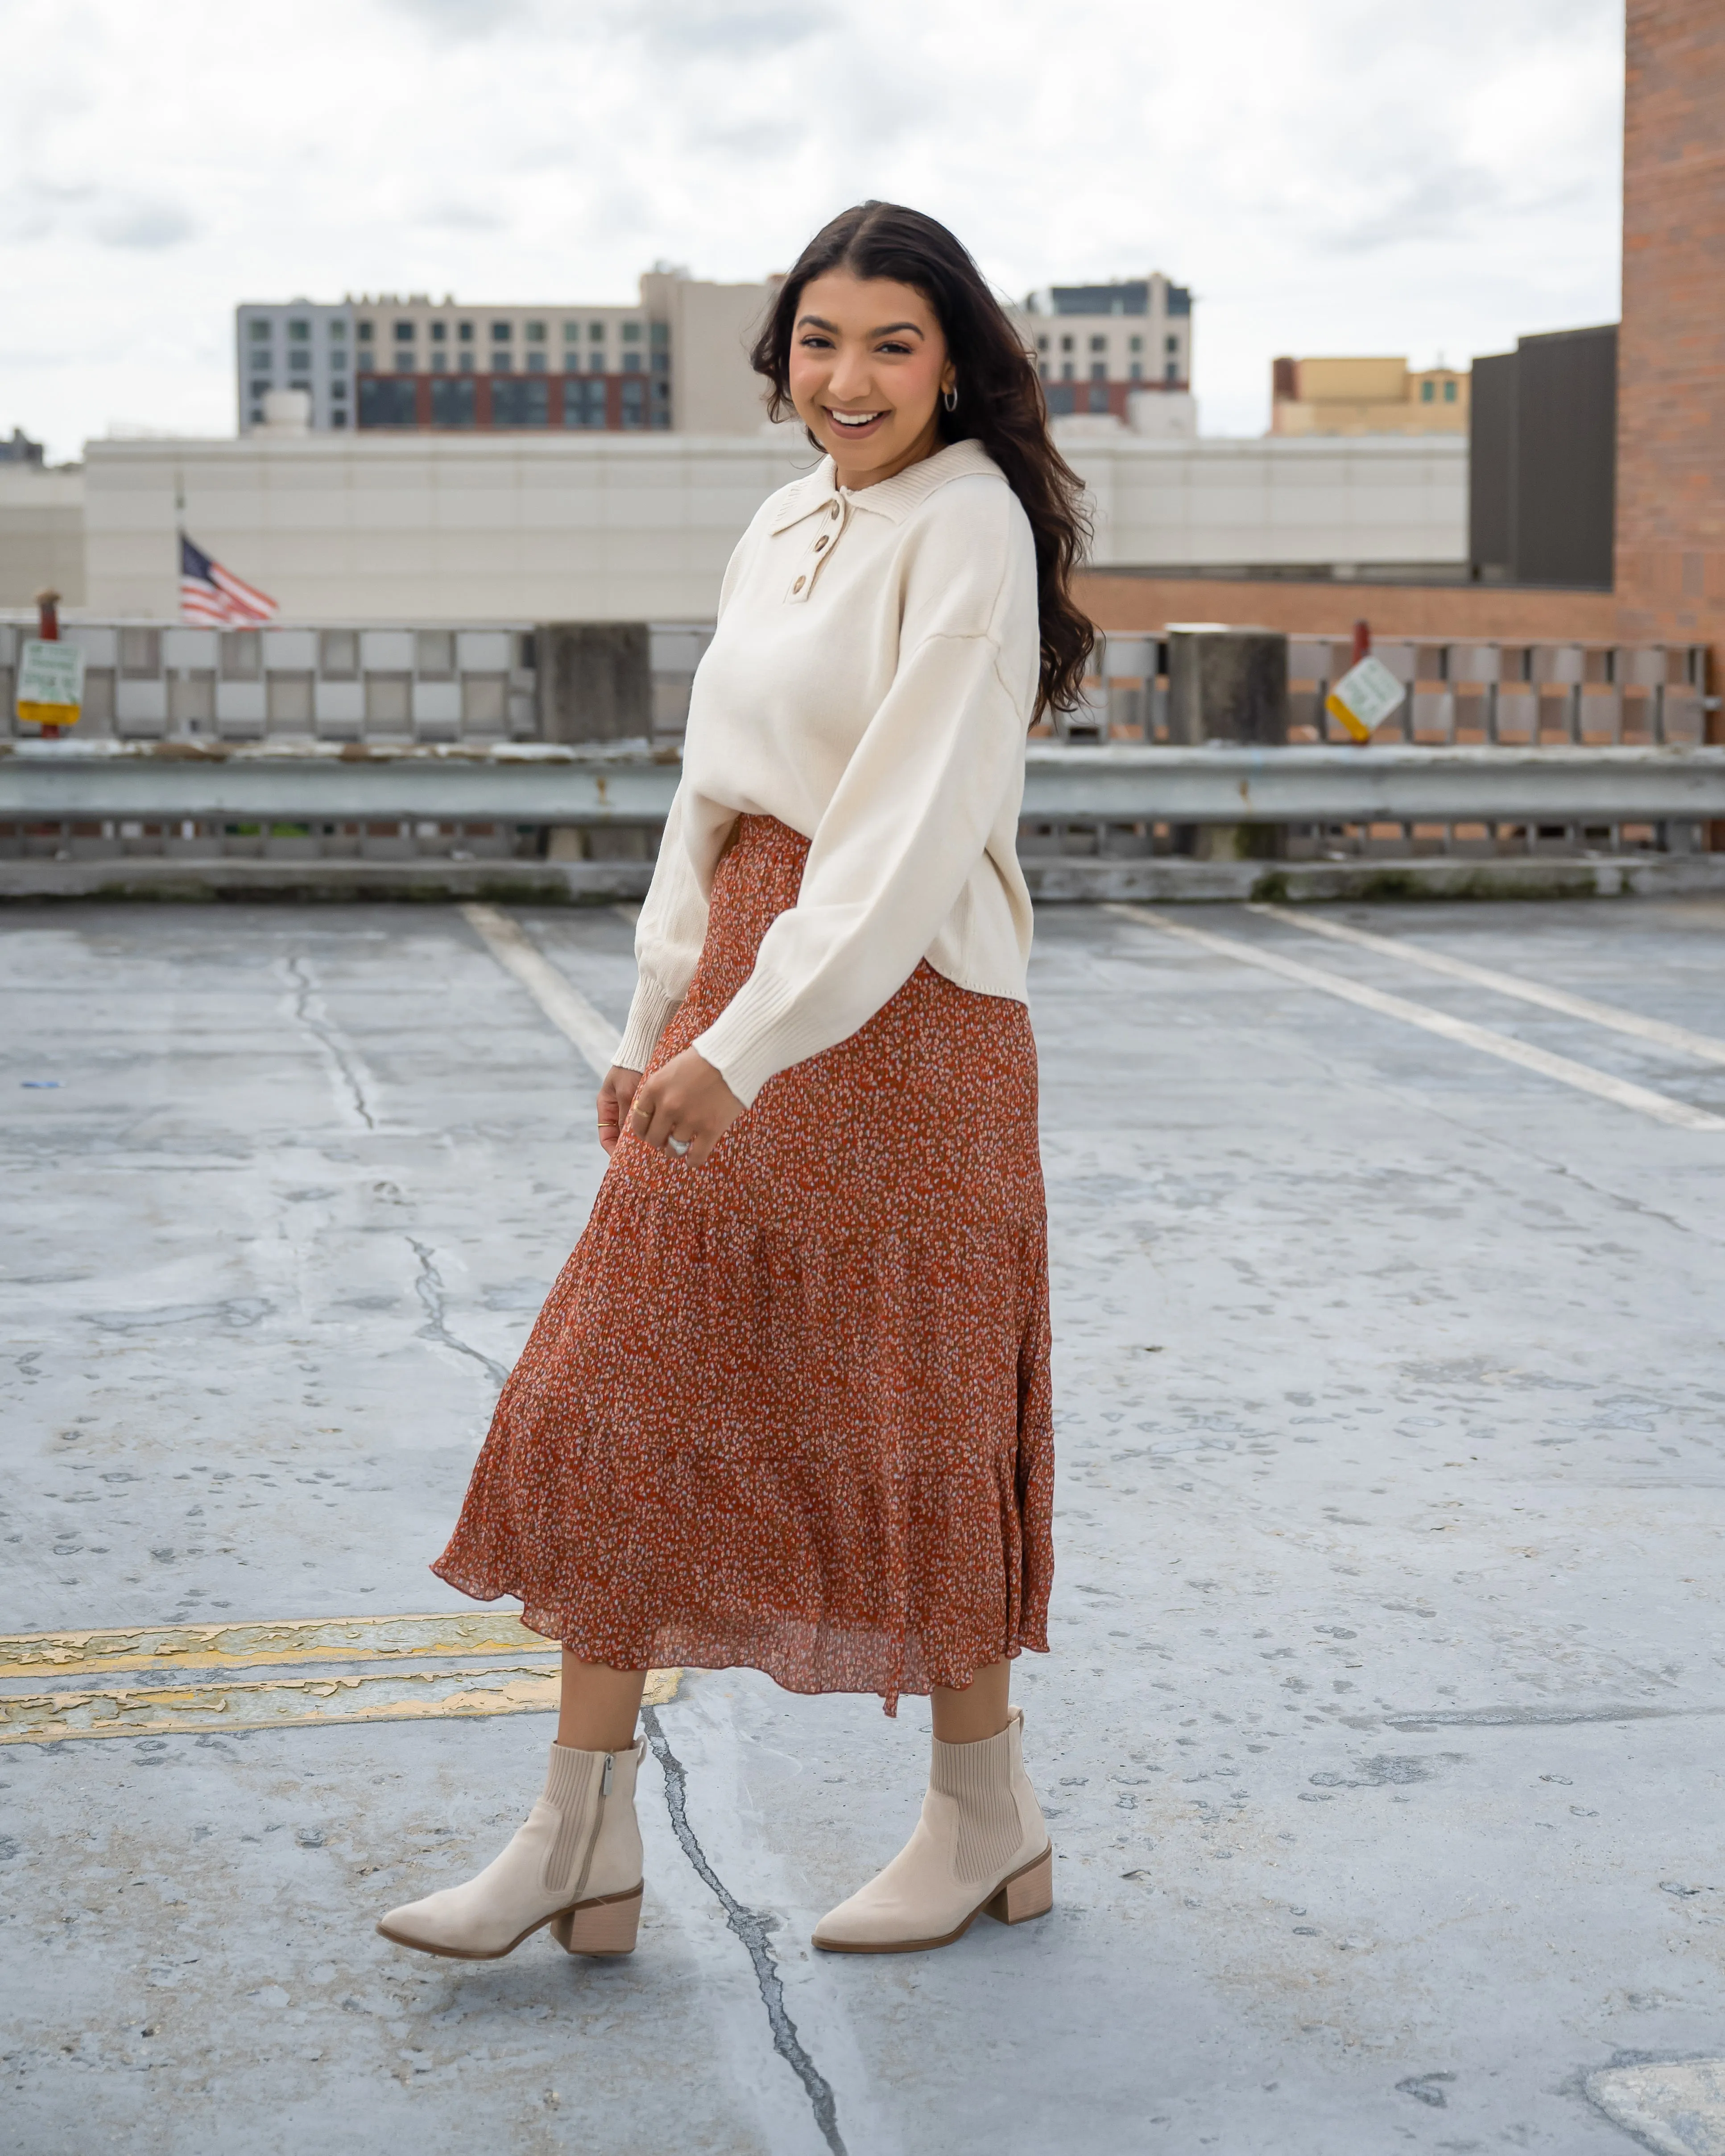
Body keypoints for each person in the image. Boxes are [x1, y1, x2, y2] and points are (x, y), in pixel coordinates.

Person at [376, 200, 1092, 1964]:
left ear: (958, 363)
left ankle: (984, 1816)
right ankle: (579, 1835)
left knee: (909, 1414)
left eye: (893, 345)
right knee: (609, 1395)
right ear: (782, 355)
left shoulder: (973, 529)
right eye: (821, 342)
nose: (847, 380)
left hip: (899, 1015)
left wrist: (746, 1040)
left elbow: (911, 829)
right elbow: (709, 799)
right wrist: (653, 1016)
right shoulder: (783, 519)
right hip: (739, 995)